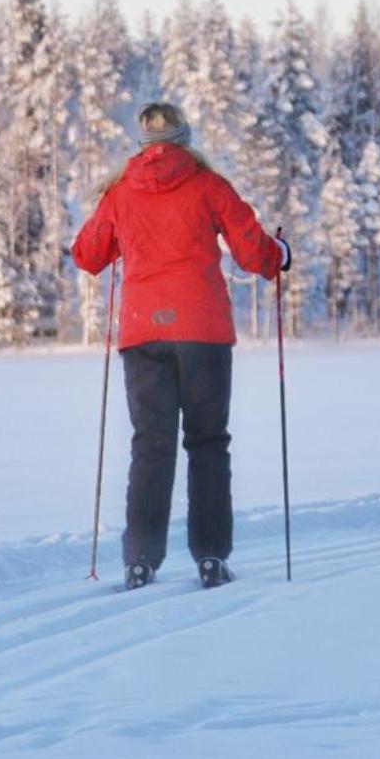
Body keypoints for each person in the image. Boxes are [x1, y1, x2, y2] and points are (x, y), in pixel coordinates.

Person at [72, 101, 289, 590]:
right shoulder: (209, 185)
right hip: (203, 332)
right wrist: (282, 255)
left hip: (142, 332)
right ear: (184, 138)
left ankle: (140, 561)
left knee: (151, 446)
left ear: (143, 143)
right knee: (208, 443)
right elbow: (254, 251)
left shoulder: (121, 192)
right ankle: (211, 558)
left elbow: (87, 255)